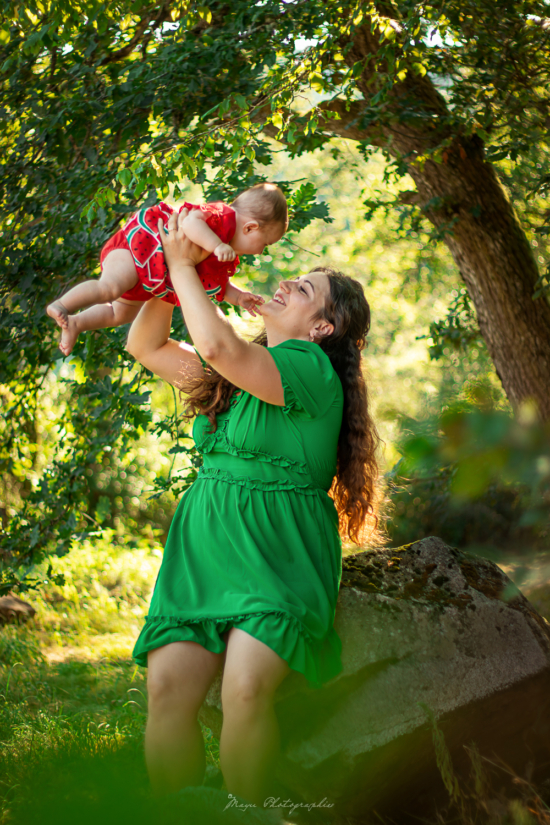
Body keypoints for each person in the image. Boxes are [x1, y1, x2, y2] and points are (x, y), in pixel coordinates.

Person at [125, 208, 380, 808]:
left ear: (322, 327)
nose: (284, 284)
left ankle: (250, 818)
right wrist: (173, 268)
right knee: (165, 692)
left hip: (278, 550)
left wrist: (189, 266)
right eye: (292, 279)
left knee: (243, 690)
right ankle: (179, 817)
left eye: (305, 291)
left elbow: (214, 340)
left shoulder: (311, 370)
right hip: (207, 544)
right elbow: (145, 342)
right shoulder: (231, 377)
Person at [47, 183, 288, 356]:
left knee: (120, 315)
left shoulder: (224, 257)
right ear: (250, 228)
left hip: (147, 279)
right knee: (109, 288)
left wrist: (239, 297)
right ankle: (62, 305)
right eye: (265, 244)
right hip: (139, 250)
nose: (261, 251)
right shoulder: (222, 217)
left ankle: (77, 323)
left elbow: (216, 284)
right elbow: (191, 222)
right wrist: (216, 244)